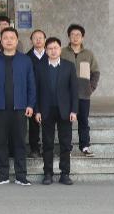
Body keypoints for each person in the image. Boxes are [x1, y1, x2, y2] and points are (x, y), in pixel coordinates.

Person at [0, 27, 36, 186]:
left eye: (12, 38)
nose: (8, 40)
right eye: (5, 37)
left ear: (17, 40)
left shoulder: (25, 60)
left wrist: (30, 104)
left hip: (20, 108)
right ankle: (2, 175)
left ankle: (21, 175)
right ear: (0, 39)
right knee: (0, 142)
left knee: (20, 142)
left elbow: (31, 84)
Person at [34, 37, 78, 185]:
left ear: (60, 49)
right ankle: (48, 173)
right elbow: (36, 91)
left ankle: (65, 174)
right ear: (46, 50)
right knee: (47, 143)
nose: (53, 51)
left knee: (65, 143)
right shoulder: (40, 67)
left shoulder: (69, 66)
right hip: (46, 110)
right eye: (50, 48)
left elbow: (74, 90)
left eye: (56, 48)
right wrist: (37, 111)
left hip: (65, 111)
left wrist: (74, 110)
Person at [63, 23, 100, 157]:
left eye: (78, 35)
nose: (75, 37)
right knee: (66, 122)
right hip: (66, 95)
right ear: (69, 36)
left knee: (83, 121)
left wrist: (91, 88)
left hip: (84, 94)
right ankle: (66, 148)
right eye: (72, 34)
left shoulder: (88, 54)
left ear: (82, 37)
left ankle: (85, 146)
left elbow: (95, 72)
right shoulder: (62, 52)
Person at [25, 29, 48, 158]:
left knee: (47, 122)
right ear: (31, 41)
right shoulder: (26, 57)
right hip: (32, 93)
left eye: (40, 37)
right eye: (35, 38)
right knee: (33, 122)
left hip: (47, 94)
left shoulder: (51, 55)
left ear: (45, 40)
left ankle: (47, 148)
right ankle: (34, 148)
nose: (38, 40)